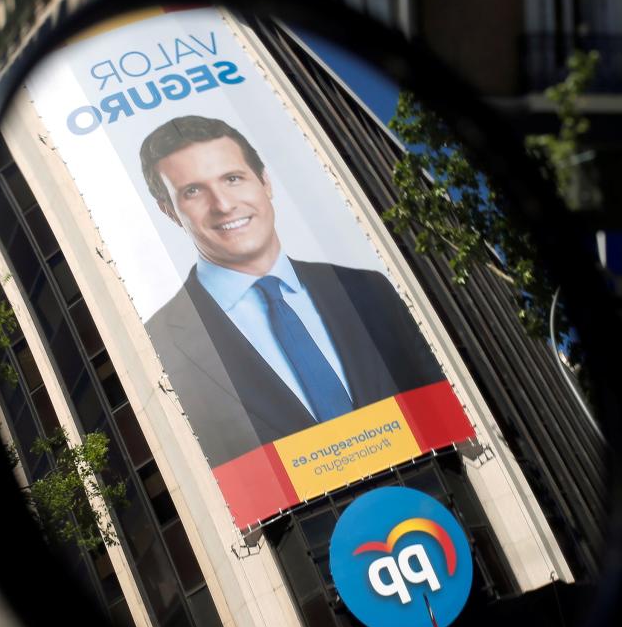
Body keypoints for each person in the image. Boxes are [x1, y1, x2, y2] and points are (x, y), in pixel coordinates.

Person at [139, 115, 445, 465]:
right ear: (169, 212)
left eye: (233, 179)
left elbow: (431, 399)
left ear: (265, 182)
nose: (223, 204)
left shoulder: (367, 289)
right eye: (192, 191)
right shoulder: (161, 342)